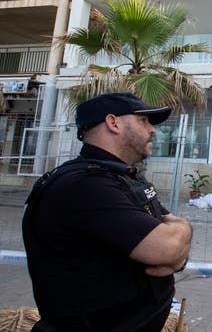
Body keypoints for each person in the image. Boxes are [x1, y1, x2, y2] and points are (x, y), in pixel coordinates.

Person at [22, 92, 193, 331]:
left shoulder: (119, 178)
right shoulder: (85, 186)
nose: (152, 129)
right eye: (143, 120)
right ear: (113, 122)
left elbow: (171, 247)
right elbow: (167, 247)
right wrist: (184, 229)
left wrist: (175, 256)